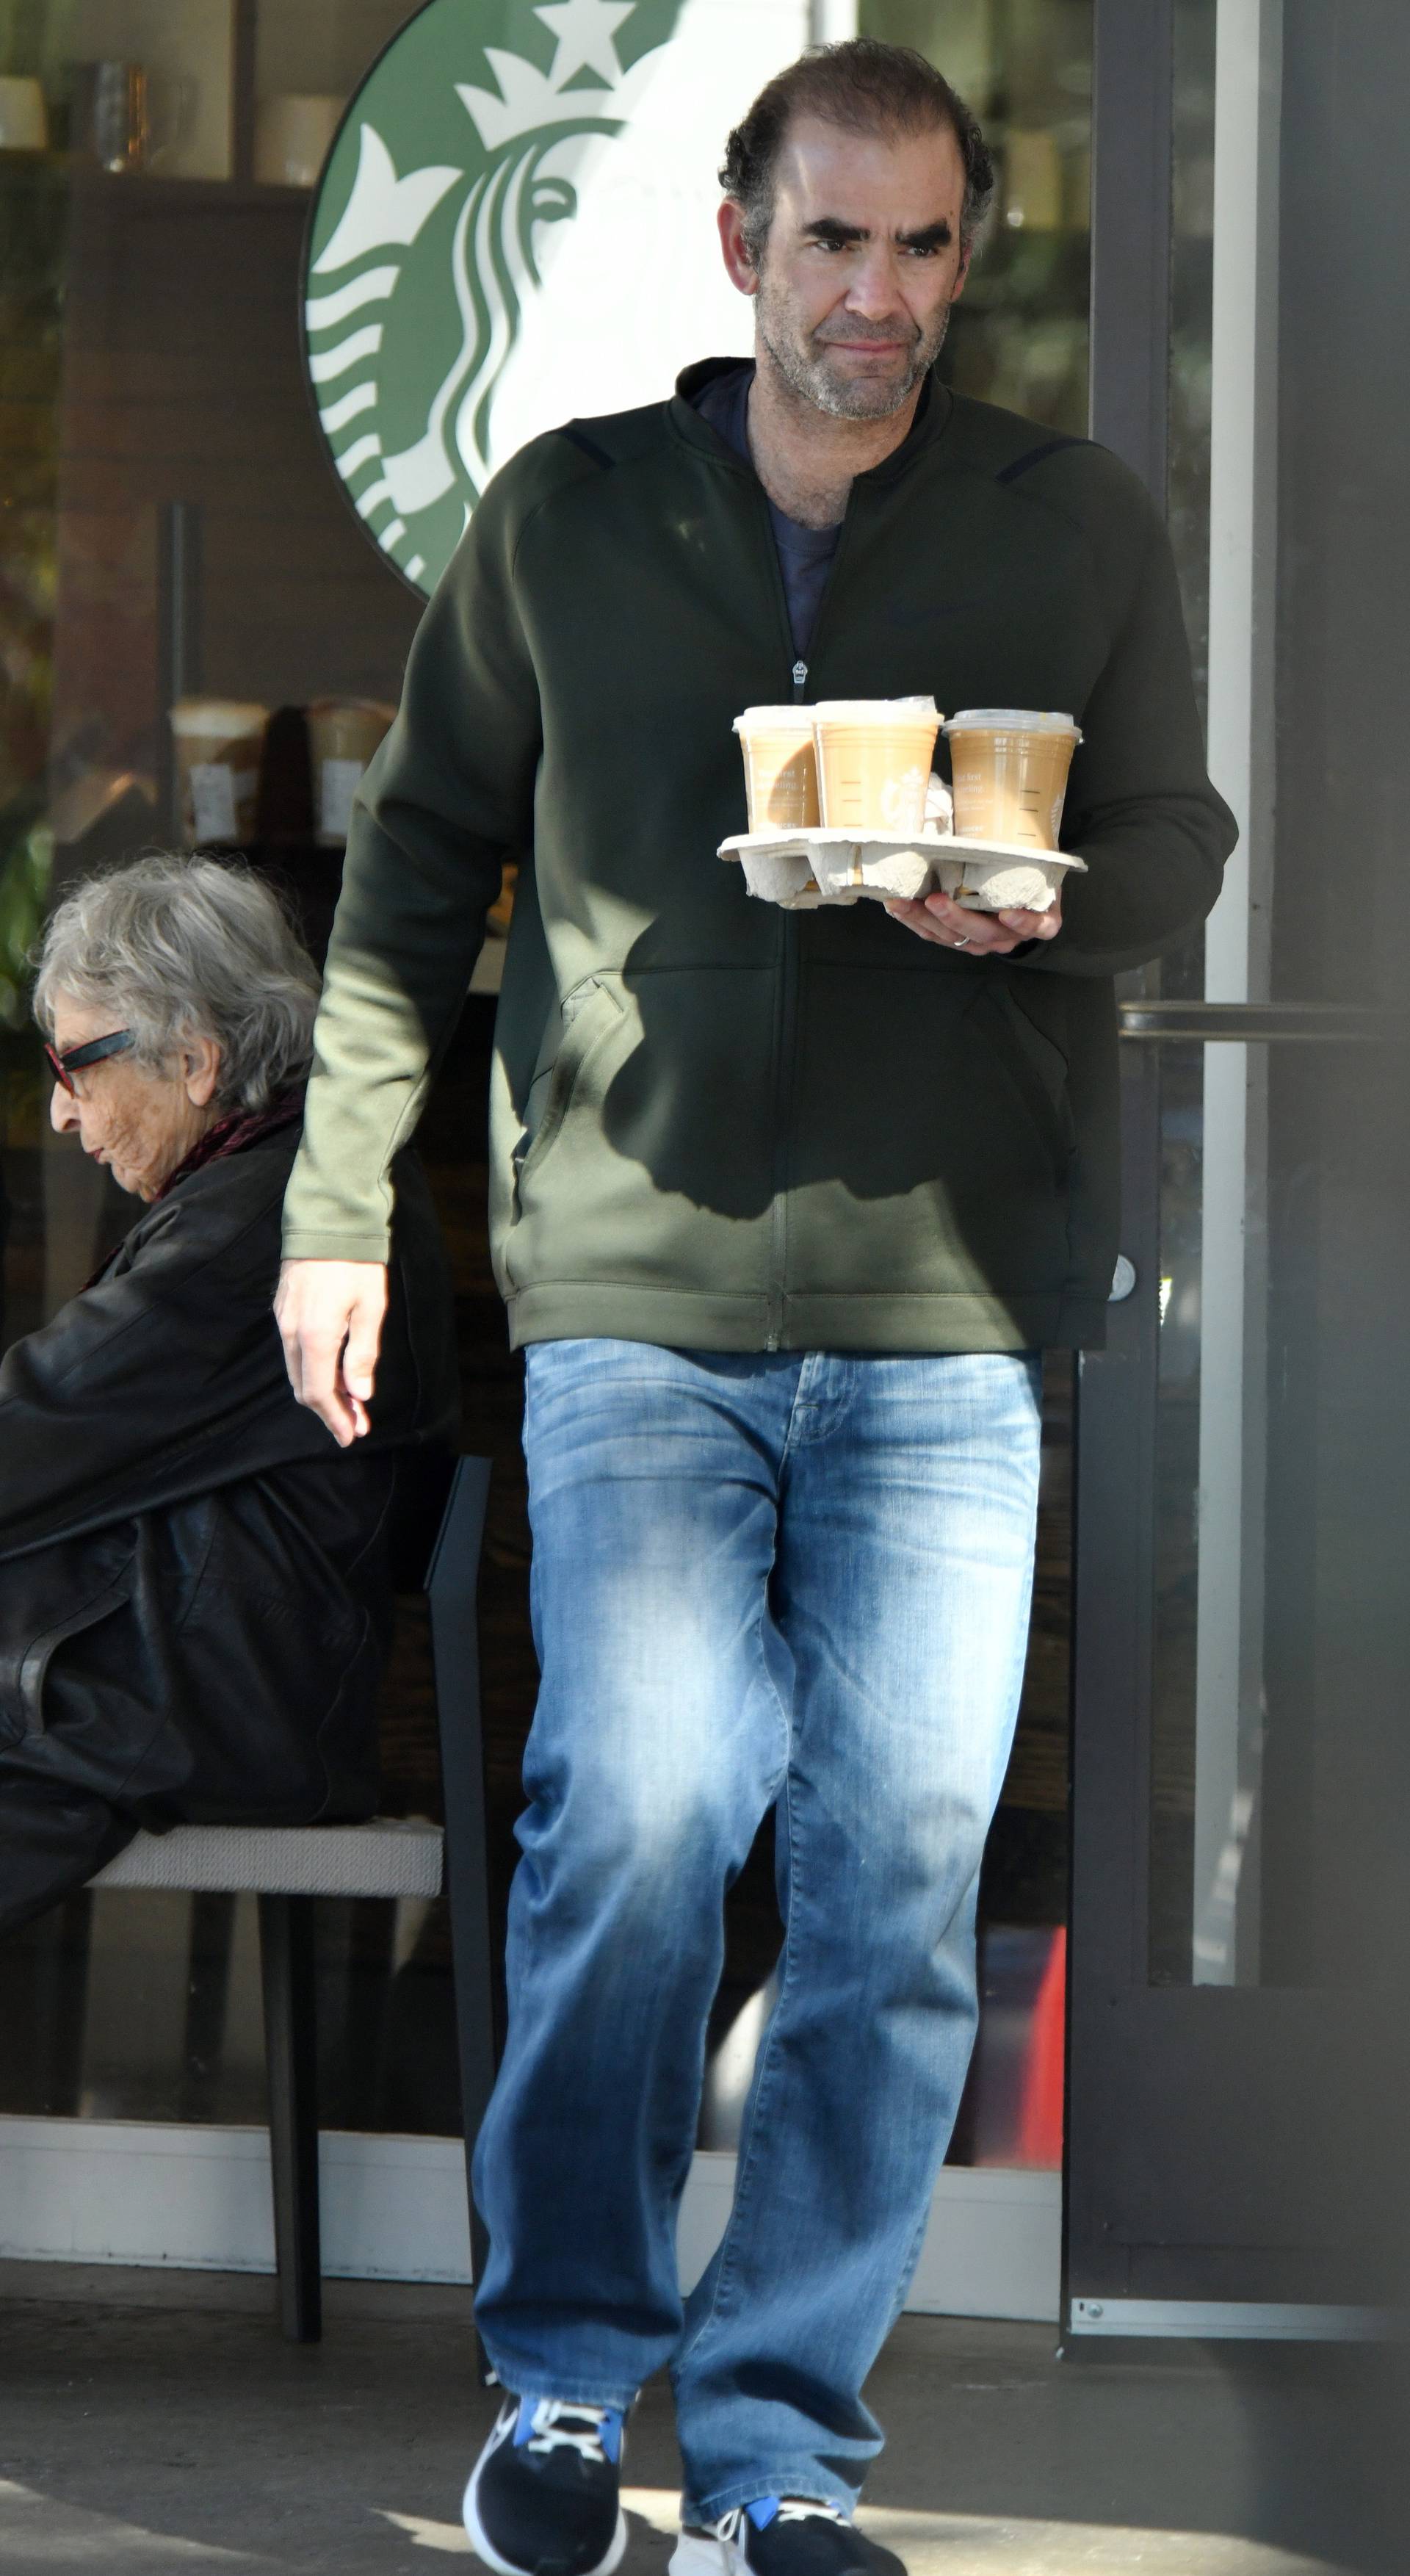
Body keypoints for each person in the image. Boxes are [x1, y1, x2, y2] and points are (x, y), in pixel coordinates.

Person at [275, 37, 1236, 2576]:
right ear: (739, 243)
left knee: (899, 1871)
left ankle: (785, 2438)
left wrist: (1057, 905)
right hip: (638, 1286)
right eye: (836, 241)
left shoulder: (1072, 518)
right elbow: (409, 893)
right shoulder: (569, 514)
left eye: (927, 248)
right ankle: (571, 2383)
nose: (880, 297)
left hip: (945, 1305)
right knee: (649, 1814)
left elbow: (1178, 828)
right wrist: (339, 1208)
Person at [0, 855, 457, 1933]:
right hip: (191, 1682)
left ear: (196, 1061)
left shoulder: (260, 1231)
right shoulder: (270, 1190)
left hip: (202, 1701)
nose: (65, 1117)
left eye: (74, 1070)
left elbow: (29, 1433)